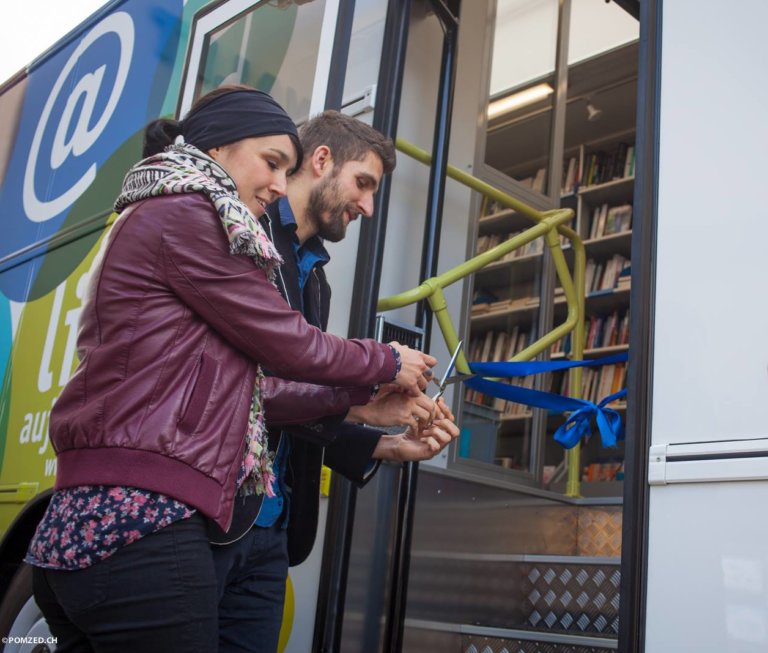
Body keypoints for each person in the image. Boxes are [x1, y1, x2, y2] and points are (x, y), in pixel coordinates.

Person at [24, 86, 436, 653]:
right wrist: (386, 359)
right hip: (151, 515)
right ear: (217, 149)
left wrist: (363, 414)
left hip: (189, 515)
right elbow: (288, 348)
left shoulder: (221, 227)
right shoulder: (204, 218)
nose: (275, 184)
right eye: (271, 164)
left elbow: (247, 389)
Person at [210, 110, 460, 653]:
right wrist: (373, 386)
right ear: (321, 160)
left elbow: (296, 400)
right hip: (208, 518)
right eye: (363, 184)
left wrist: (387, 446)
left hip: (271, 531)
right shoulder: (242, 235)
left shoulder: (315, 279)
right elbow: (245, 391)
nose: (368, 207)